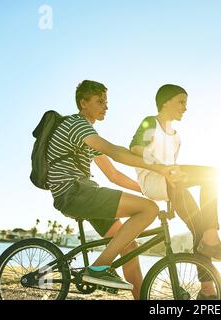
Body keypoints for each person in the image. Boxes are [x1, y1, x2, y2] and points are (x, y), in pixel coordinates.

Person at [47, 80, 179, 299]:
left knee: (128, 246)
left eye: (106, 102)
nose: (105, 106)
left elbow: (113, 175)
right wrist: (158, 168)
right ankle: (99, 268)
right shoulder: (77, 125)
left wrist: (144, 189)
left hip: (80, 194)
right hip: (75, 193)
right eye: (100, 101)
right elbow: (115, 151)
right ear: (83, 103)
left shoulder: (86, 136)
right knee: (149, 210)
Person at [129, 84, 221, 300]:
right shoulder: (152, 122)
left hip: (171, 184)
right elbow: (136, 148)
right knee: (211, 173)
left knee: (199, 229)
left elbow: (176, 171)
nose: (185, 108)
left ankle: (207, 290)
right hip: (153, 179)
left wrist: (171, 198)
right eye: (181, 102)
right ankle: (212, 236)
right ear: (165, 102)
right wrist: (163, 167)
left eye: (186, 103)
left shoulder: (176, 136)